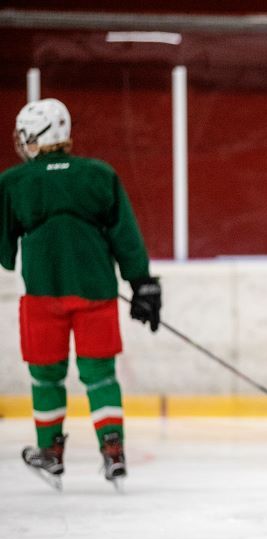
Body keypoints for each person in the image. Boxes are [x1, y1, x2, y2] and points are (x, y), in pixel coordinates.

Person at [0, 98, 161, 491]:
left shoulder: (13, 181)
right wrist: (142, 282)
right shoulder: (99, 174)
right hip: (97, 294)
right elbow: (125, 235)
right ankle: (113, 453)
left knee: (45, 375)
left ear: (37, 136)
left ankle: (50, 454)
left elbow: (4, 254)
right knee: (100, 375)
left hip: (42, 294)